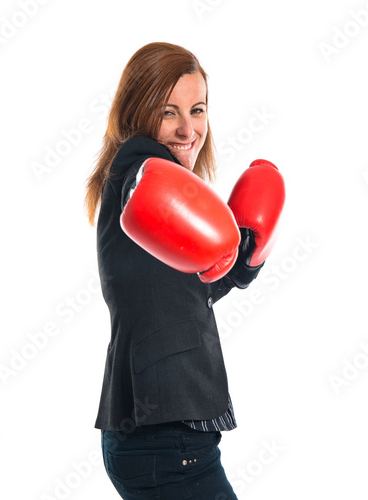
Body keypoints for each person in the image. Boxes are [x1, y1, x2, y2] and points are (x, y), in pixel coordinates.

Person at [84, 42, 285, 500]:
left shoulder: (154, 197)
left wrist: (241, 255)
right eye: (168, 112)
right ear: (137, 112)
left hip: (158, 438)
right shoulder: (139, 172)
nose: (188, 129)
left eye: (197, 110)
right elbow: (142, 181)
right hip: (166, 441)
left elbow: (177, 291)